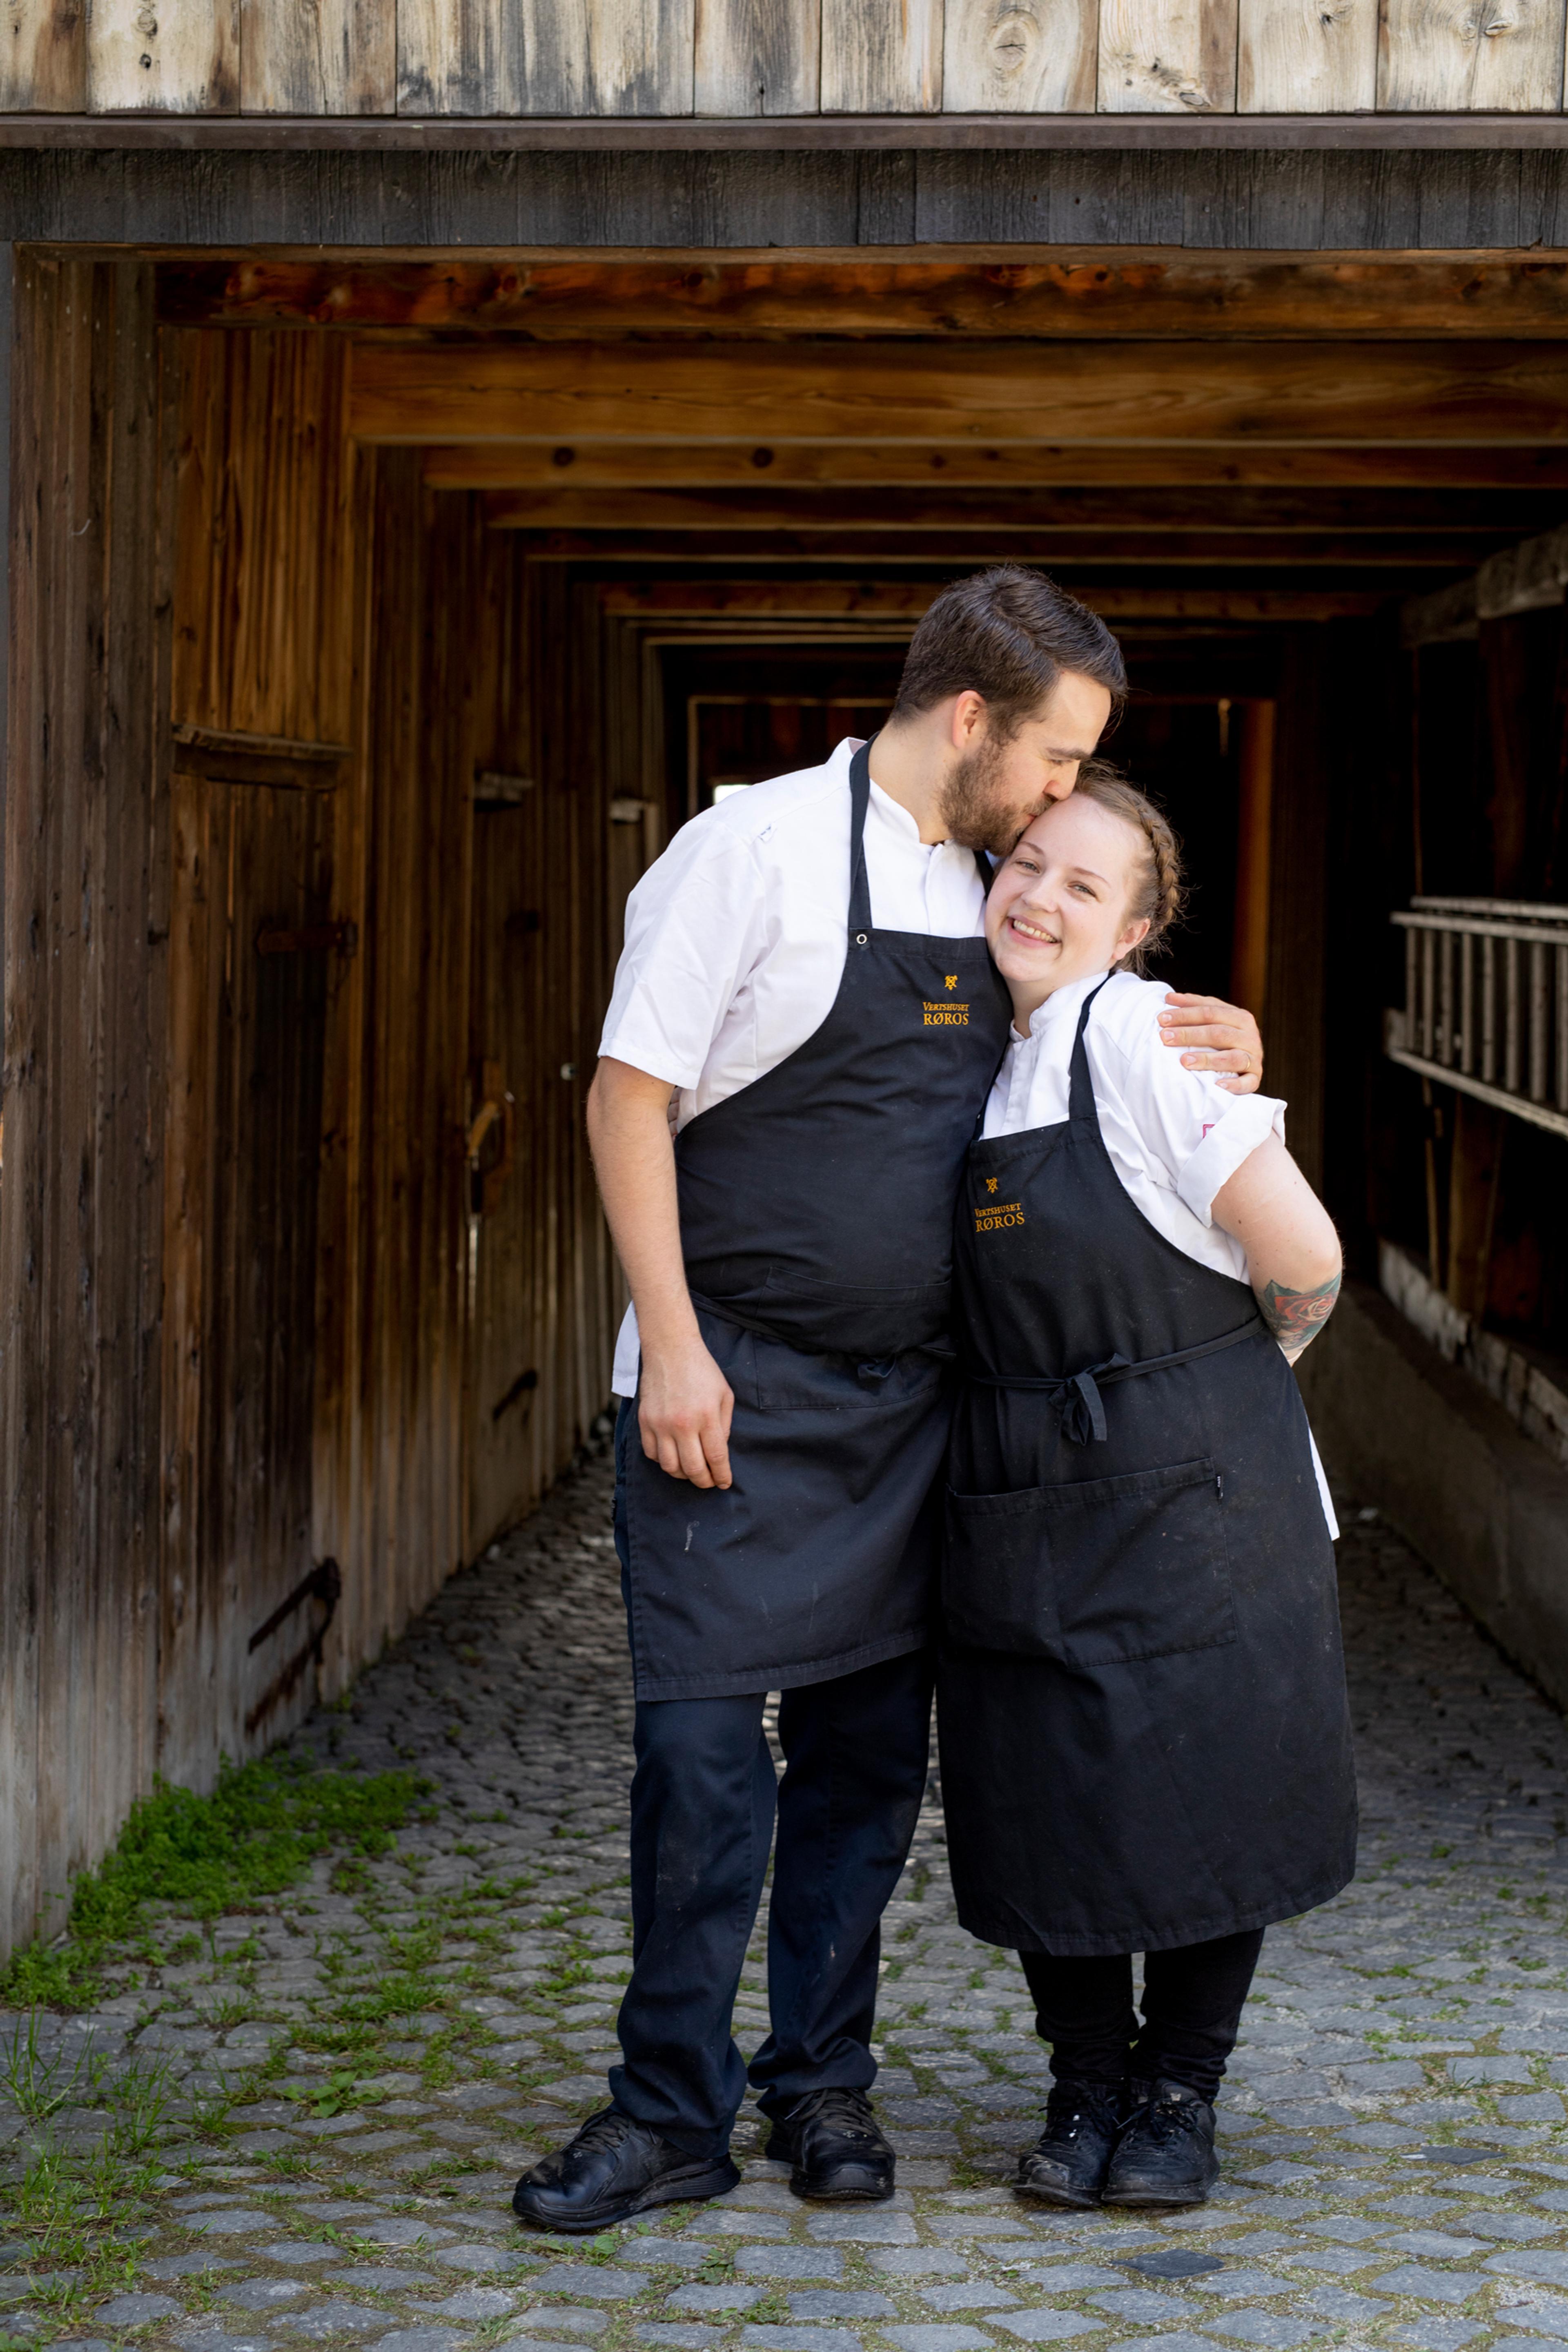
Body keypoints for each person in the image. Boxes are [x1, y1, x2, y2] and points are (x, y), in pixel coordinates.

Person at [511, 568, 1267, 2234]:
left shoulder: (1004, 900)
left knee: (866, 1768)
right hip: (728, 1390)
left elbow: (1088, 1019)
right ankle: (667, 2109)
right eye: (1062, 758)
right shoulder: (753, 854)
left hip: (915, 1413)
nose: (1069, 795)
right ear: (977, 720)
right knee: (704, 1766)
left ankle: (822, 2088)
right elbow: (626, 1096)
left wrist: (1220, 1027)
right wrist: (676, 1342)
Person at [937, 766, 1356, 2214]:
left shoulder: (1144, 1045)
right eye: (1029, 862)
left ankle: (1177, 2094)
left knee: (1204, 1789)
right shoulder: (975, 1053)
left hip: (1195, 1499)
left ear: (1137, 932)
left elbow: (1304, 1260)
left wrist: (1219, 1390)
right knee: (1047, 1780)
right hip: (1029, 1490)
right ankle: (1084, 2084)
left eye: (1084, 885)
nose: (1040, 896)